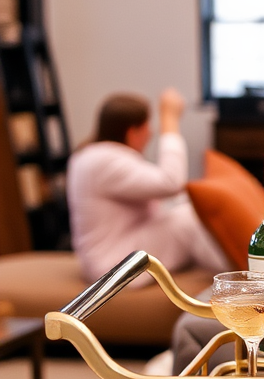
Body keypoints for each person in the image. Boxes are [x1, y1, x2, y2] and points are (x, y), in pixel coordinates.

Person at [67, 88, 228, 281]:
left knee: (187, 209)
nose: (151, 133)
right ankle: (239, 277)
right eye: (147, 127)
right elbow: (170, 182)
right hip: (112, 266)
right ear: (133, 132)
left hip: (111, 258)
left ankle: (238, 272)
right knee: (187, 217)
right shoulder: (104, 159)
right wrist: (170, 120)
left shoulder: (94, 156)